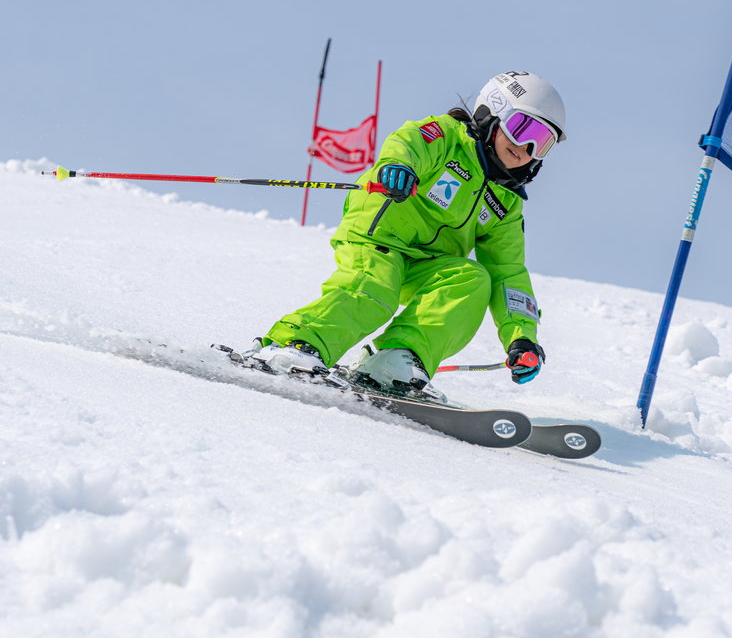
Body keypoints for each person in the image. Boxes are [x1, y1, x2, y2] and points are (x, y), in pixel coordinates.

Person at [240, 71, 566, 398]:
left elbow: (507, 272)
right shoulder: (447, 138)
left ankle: (395, 361)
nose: (527, 147)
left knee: (473, 280)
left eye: (543, 143)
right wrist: (399, 166)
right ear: (492, 112)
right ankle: (296, 344)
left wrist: (521, 336)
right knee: (374, 289)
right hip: (380, 236)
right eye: (525, 128)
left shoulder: (506, 203)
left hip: (429, 263)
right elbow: (407, 143)